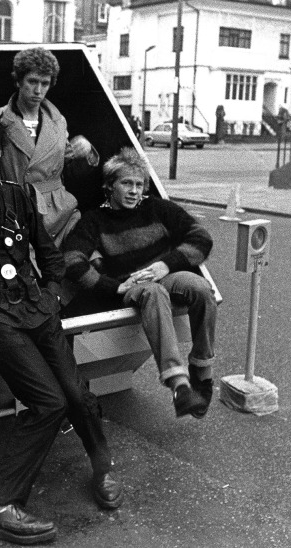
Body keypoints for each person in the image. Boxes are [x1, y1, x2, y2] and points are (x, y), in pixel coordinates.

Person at [0, 106, 124, 545]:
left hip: (37, 308)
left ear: (0, 148)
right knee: (49, 403)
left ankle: (103, 468)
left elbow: (48, 251)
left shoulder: (17, 194)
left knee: (78, 396)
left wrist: (52, 292)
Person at [62, 148, 217, 418]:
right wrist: (112, 286)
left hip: (164, 274)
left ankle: (201, 372)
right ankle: (179, 385)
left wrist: (165, 265)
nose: (134, 191)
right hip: (134, 286)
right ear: (109, 186)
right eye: (126, 183)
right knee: (153, 292)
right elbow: (71, 260)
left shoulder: (158, 209)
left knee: (201, 288)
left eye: (139, 184)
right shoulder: (94, 221)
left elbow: (201, 238)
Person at [0, 47, 99, 247]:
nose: (38, 90)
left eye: (45, 83)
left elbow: (67, 173)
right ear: (18, 81)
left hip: (59, 212)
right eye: (32, 81)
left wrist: (83, 154)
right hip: (14, 212)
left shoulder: (58, 122)